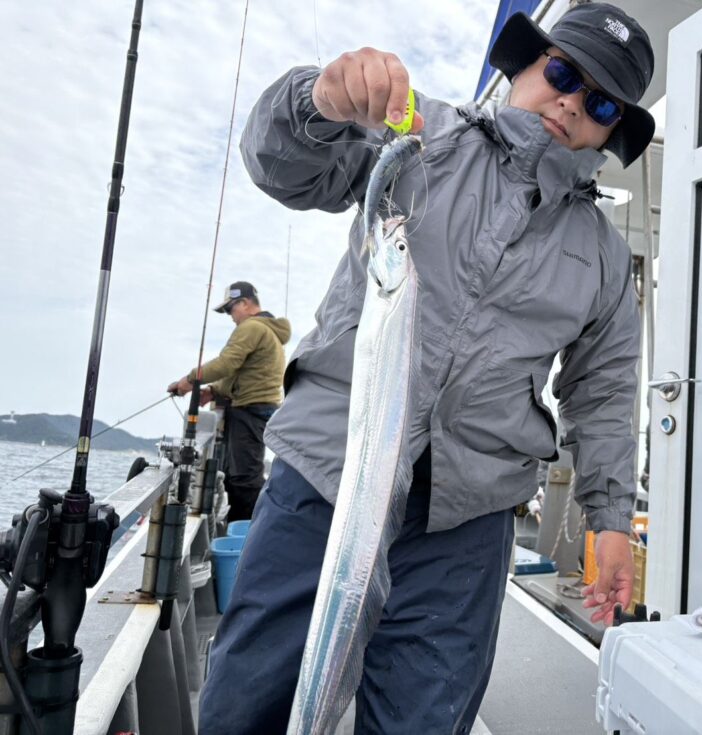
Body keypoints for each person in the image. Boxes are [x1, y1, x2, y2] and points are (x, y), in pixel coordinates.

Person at [199, 3, 655, 732]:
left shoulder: (600, 254)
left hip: (465, 520)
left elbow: (602, 390)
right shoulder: (422, 134)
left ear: (611, 129)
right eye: (564, 72)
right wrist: (318, 98)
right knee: (246, 702)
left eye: (600, 101)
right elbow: (283, 165)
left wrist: (608, 517)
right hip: (328, 477)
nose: (572, 100)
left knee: (422, 719)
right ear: (527, 65)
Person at [168, 281, 291, 521]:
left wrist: (189, 380)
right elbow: (241, 372)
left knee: (244, 479)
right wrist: (212, 392)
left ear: (245, 303)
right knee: (244, 475)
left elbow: (227, 364)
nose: (230, 316)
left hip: (249, 411)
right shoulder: (268, 330)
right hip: (257, 410)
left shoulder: (252, 327)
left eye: (230, 308)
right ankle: (245, 526)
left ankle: (245, 533)